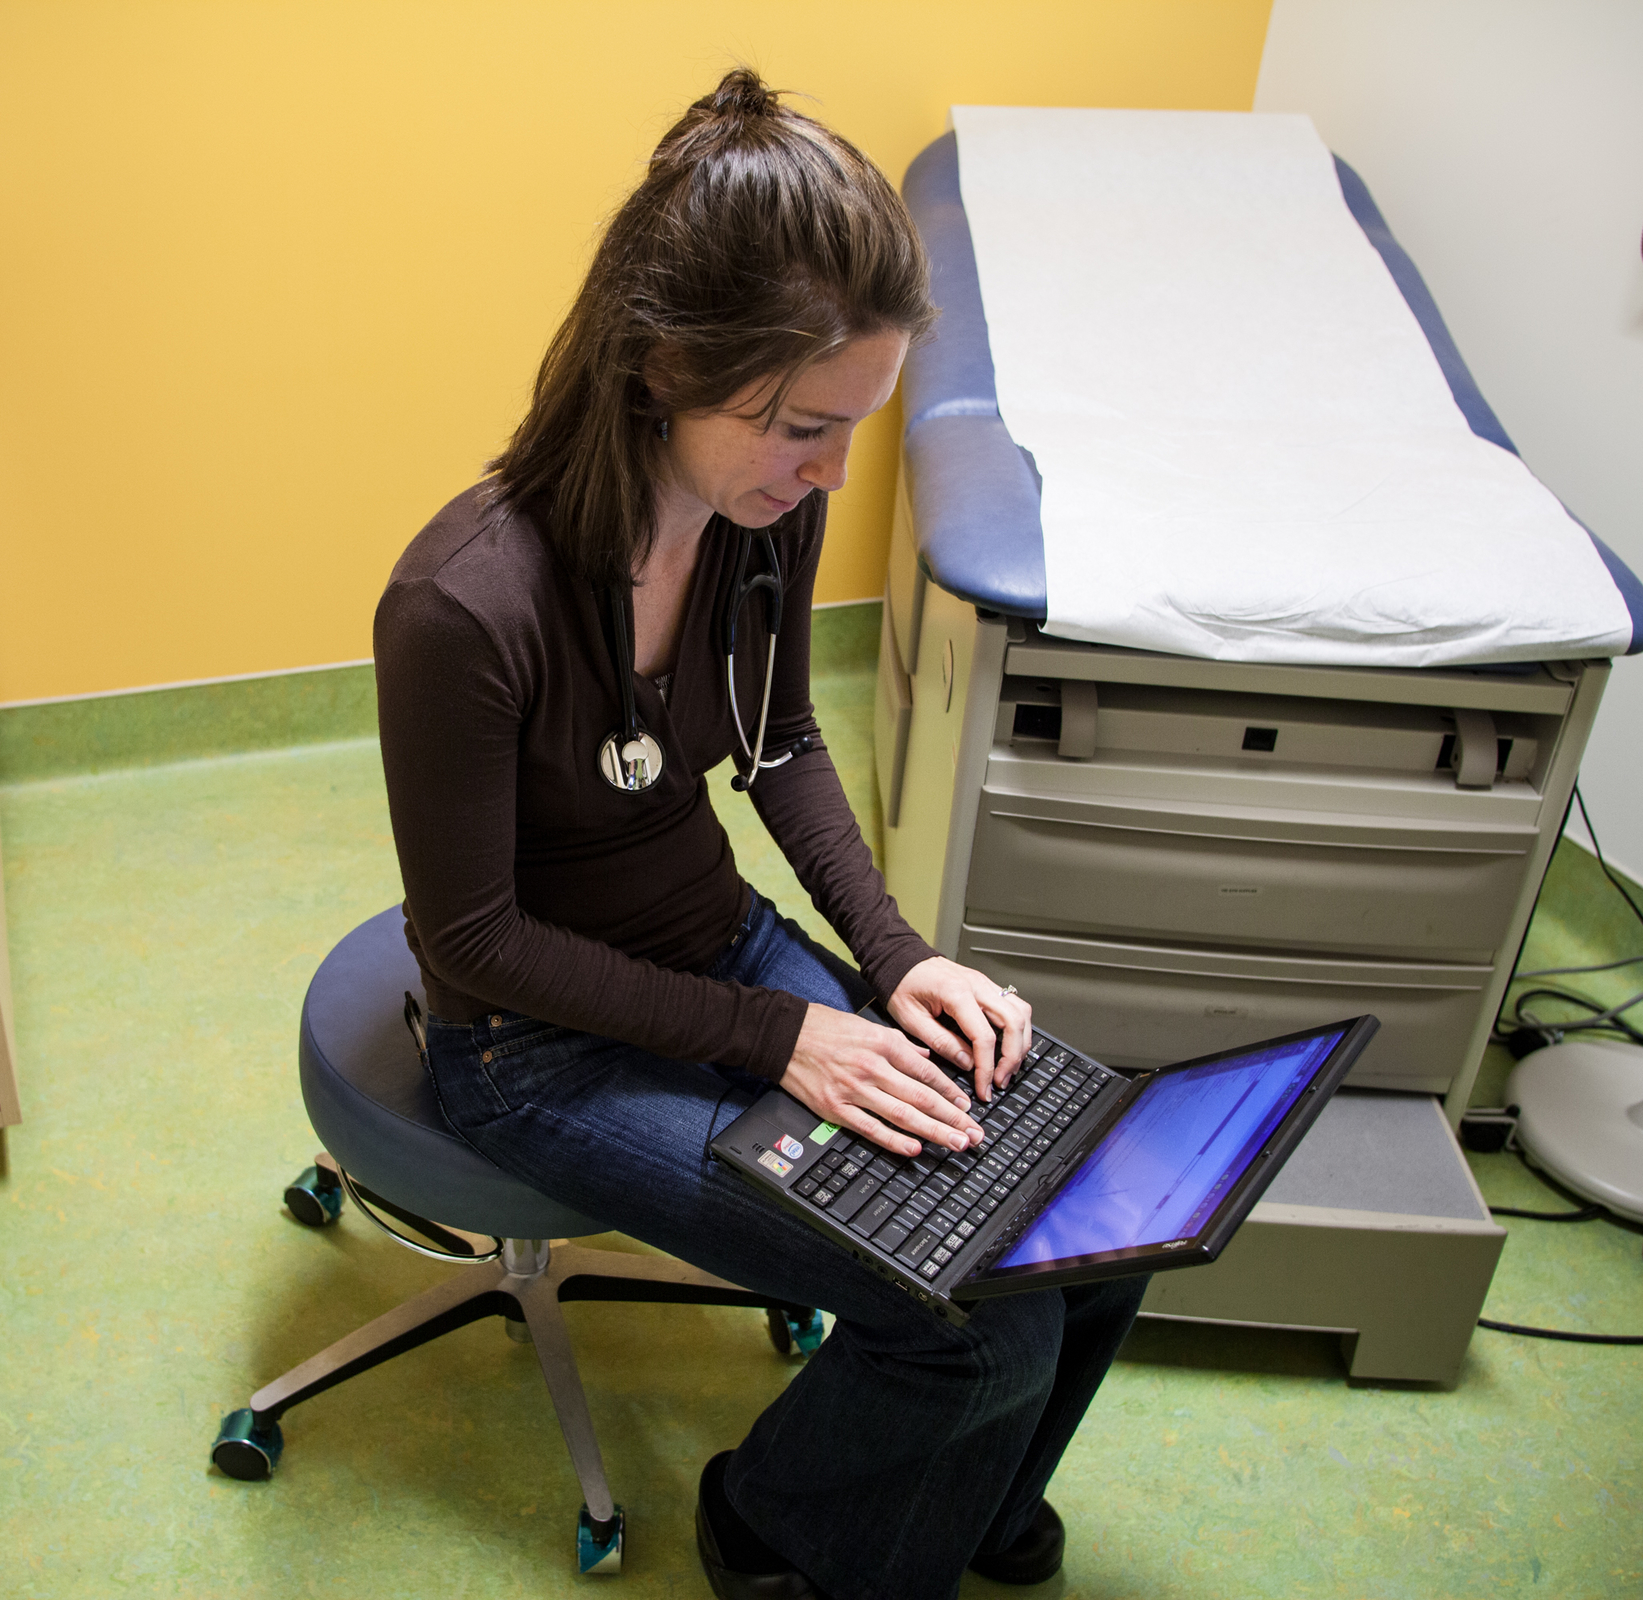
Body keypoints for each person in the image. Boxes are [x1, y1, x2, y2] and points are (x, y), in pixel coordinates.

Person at [372, 69, 1145, 1600]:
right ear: (661, 362)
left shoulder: (758, 508)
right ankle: (774, 1533)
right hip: (537, 1046)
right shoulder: (461, 605)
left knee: (1088, 1210)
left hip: (717, 956)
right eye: (803, 427)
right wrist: (781, 1036)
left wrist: (896, 957)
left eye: (854, 426)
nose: (833, 477)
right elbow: (471, 943)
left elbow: (781, 738)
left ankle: (973, 1493)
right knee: (970, 1327)